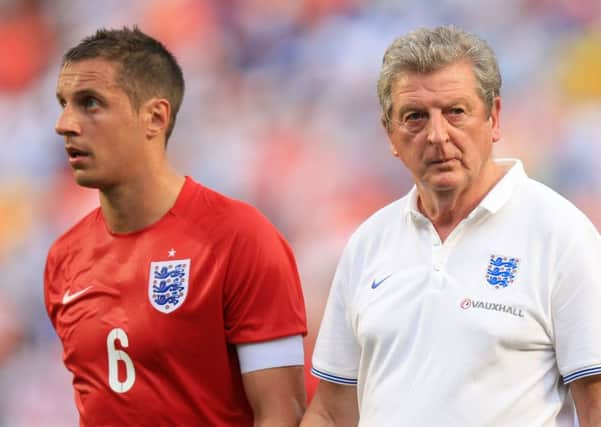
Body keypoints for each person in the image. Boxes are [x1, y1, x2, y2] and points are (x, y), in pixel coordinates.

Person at [301, 25, 601, 426]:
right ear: (389, 132)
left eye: (455, 112)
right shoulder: (369, 242)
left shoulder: (561, 234)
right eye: (415, 117)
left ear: (493, 118)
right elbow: (332, 412)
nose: (438, 135)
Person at [44, 26, 307, 426]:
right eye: (64, 104)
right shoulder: (64, 259)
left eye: (90, 103)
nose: (65, 123)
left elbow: (280, 415)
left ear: (154, 116)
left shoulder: (240, 238)